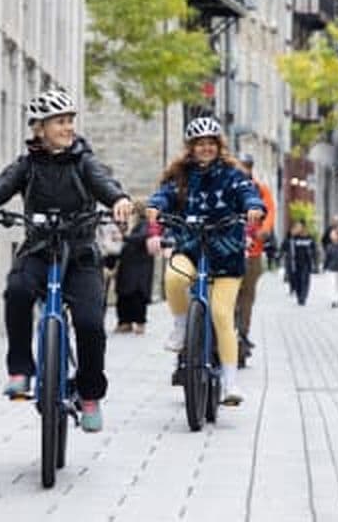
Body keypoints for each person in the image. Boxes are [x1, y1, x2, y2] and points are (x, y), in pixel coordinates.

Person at [0, 90, 132, 433]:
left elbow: (104, 183)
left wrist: (118, 199)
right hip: (40, 250)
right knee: (17, 290)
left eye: (70, 120)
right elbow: (3, 184)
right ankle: (20, 370)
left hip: (80, 255)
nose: (68, 127)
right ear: (40, 128)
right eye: (60, 122)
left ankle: (90, 395)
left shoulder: (84, 161)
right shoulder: (27, 164)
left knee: (89, 323)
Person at [146, 117, 264, 405]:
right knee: (174, 278)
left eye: (211, 143)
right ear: (191, 148)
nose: (206, 148)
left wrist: (253, 207)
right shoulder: (180, 175)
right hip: (191, 246)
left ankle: (230, 383)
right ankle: (181, 325)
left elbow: (248, 193)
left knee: (222, 314)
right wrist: (155, 207)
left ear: (219, 146)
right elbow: (164, 195)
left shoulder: (233, 174)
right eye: (200, 144)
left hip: (226, 253)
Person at [235, 153, 276, 349]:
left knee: (247, 295)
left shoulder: (260, 189)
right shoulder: (229, 187)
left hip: (253, 252)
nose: (244, 169)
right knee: (229, 293)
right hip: (230, 250)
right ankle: (227, 332)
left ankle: (243, 332)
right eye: (241, 165)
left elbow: (269, 211)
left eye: (247, 166)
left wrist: (265, 229)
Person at [114, 200, 155, 335]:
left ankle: (139, 322)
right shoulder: (130, 224)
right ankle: (125, 322)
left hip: (139, 267)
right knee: (124, 294)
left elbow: (141, 237)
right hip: (127, 265)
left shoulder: (144, 224)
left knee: (137, 295)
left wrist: (124, 238)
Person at [281, 221, 317, 305]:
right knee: (297, 281)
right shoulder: (292, 238)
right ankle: (299, 295)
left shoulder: (309, 238)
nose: (298, 229)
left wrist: (315, 262)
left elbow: (314, 250)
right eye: (297, 227)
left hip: (306, 263)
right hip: (295, 263)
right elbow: (284, 247)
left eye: (300, 227)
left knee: (304, 280)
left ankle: (303, 297)